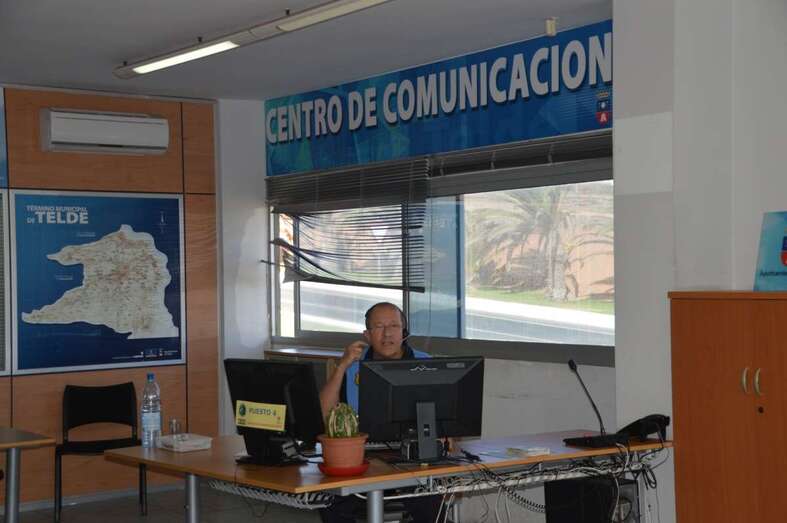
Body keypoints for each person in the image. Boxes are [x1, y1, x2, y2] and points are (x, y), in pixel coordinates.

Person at [318, 302, 441, 523]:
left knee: (429, 500)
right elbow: (326, 413)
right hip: (361, 457)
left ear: (404, 331)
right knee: (330, 499)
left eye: (394, 325)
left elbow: (445, 415)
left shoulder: (425, 363)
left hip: (412, 456)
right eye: (379, 326)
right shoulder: (353, 365)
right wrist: (342, 366)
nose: (387, 334)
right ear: (367, 334)